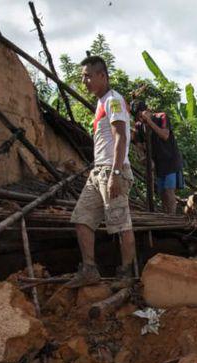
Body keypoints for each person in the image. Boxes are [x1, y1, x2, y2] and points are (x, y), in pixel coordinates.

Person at [65, 55, 136, 287]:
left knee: (120, 223)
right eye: (82, 77)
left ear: (102, 76)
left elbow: (121, 137)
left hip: (112, 171)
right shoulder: (101, 102)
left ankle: (126, 273)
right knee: (81, 218)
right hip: (99, 172)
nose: (84, 81)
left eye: (87, 76)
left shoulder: (113, 100)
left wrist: (115, 174)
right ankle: (89, 269)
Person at [131, 100, 184, 215]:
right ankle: (166, 216)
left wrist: (149, 121)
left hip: (170, 160)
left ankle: (172, 219)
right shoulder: (138, 126)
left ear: (148, 111)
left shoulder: (161, 117)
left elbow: (165, 135)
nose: (140, 118)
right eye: (138, 117)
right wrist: (143, 157)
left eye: (141, 115)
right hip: (158, 163)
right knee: (162, 192)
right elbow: (137, 144)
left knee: (169, 191)